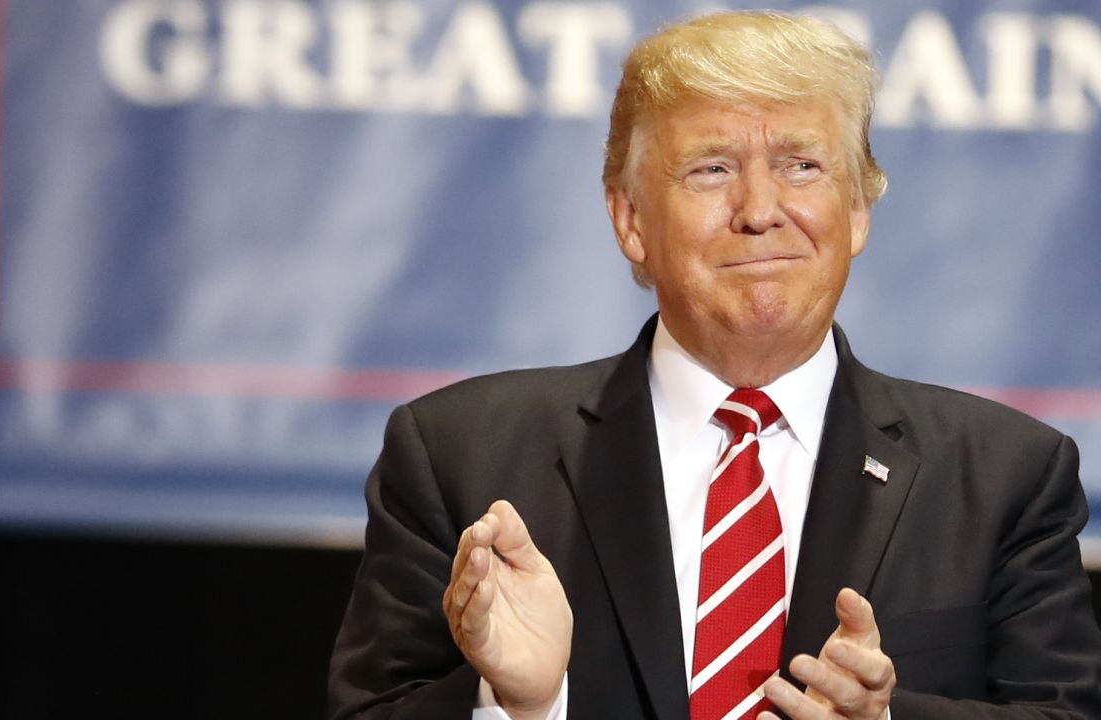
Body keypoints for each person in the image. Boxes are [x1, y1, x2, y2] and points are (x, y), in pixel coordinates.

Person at [327, 11, 1101, 720]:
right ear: (630, 218)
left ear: (858, 211)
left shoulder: (1007, 475)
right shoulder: (460, 456)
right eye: (711, 169)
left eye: (802, 165)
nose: (760, 209)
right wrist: (515, 704)